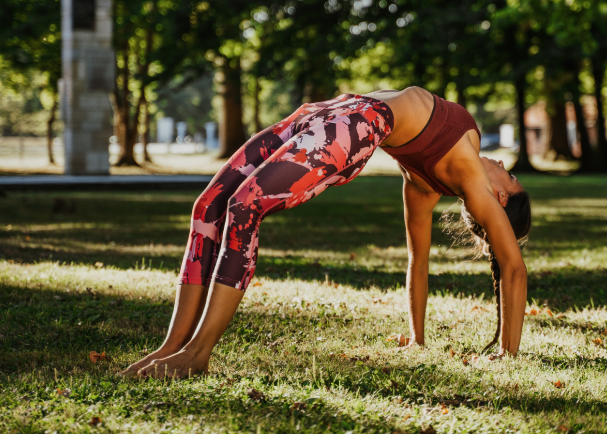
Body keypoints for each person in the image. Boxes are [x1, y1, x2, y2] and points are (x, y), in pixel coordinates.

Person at [119, 86, 531, 378]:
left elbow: (512, 267)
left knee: (245, 207)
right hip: (329, 110)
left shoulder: (471, 178)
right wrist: (416, 338)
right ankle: (172, 347)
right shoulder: (425, 185)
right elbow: (417, 263)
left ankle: (197, 354)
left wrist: (507, 352)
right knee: (208, 207)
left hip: (358, 122)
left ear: (499, 199)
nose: (502, 165)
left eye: (510, 177)